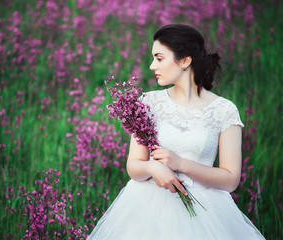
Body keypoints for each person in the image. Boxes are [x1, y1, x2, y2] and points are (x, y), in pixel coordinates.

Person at [87, 24, 265, 239]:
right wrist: (153, 168)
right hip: (147, 207)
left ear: (184, 61)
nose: (152, 66)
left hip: (206, 212)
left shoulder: (224, 110)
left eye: (159, 58)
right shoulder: (148, 103)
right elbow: (133, 166)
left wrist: (181, 164)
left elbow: (230, 179)